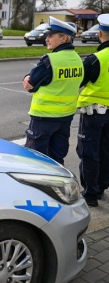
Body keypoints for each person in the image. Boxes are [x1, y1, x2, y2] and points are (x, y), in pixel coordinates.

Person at [22, 16, 83, 165]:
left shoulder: (50, 60)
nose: (46, 38)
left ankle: (37, 188)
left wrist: (28, 78)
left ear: (63, 38)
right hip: (65, 118)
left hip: (44, 119)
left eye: (51, 36)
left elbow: (32, 82)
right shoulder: (78, 60)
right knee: (57, 160)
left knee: (35, 161)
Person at [76, 14, 109, 207]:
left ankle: (90, 194)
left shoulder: (95, 59)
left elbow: (79, 82)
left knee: (89, 152)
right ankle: (102, 186)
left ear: (100, 34)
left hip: (94, 113)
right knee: (106, 150)